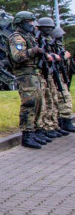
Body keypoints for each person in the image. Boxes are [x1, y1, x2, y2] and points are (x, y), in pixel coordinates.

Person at [7, 11, 49, 149]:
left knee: (38, 102)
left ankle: (35, 130)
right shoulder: (17, 38)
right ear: (21, 22)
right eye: (29, 22)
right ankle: (27, 134)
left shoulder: (28, 37)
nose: (32, 24)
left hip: (33, 73)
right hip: (25, 74)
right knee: (29, 103)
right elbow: (18, 57)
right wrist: (34, 51)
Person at [35, 17, 68, 138]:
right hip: (41, 73)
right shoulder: (37, 39)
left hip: (49, 72)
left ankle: (53, 125)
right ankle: (47, 127)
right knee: (46, 101)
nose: (49, 30)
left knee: (52, 99)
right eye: (46, 27)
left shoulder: (47, 40)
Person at [51, 25, 74, 133]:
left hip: (62, 76)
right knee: (62, 98)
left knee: (65, 98)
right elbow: (54, 59)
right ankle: (63, 121)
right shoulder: (51, 47)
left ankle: (65, 121)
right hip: (56, 76)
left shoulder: (59, 47)